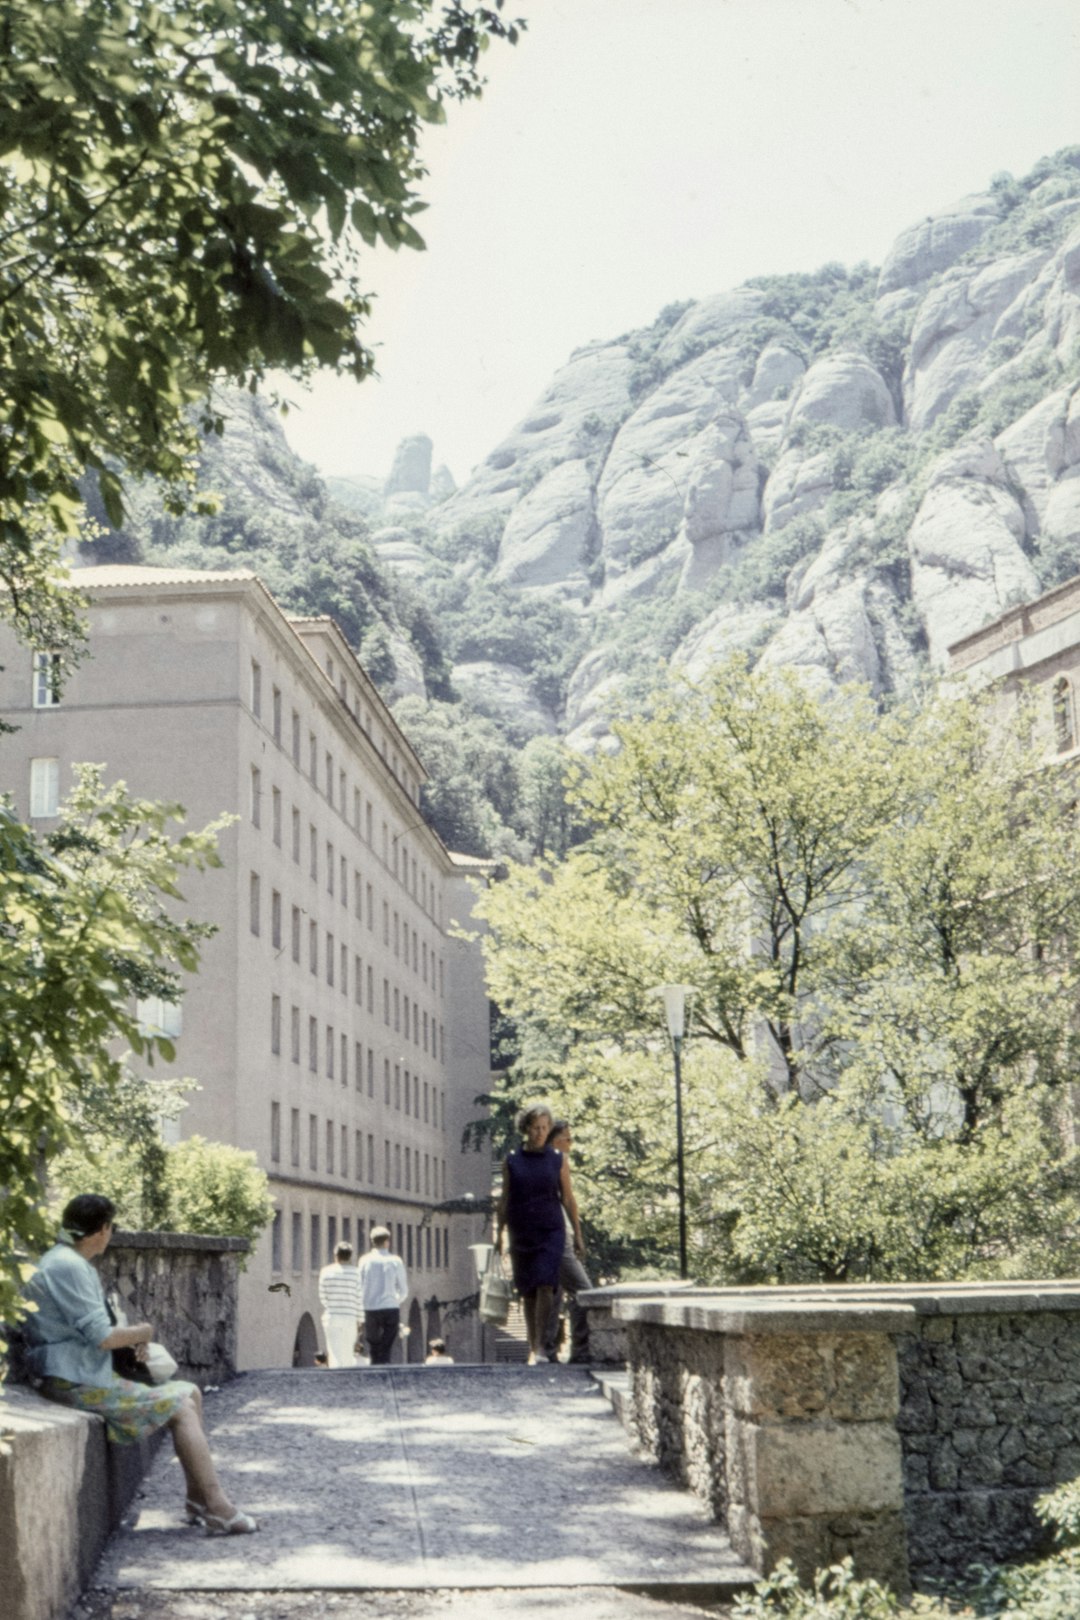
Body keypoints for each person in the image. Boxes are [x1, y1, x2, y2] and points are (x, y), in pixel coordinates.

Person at [22, 1194, 257, 1536]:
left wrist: (130, 1344)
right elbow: (101, 1337)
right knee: (181, 1407)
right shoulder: (68, 1266)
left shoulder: (65, 1261)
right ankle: (218, 1505)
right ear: (102, 1230)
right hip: (75, 1381)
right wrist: (142, 1331)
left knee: (189, 1391)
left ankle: (196, 1499)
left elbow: (90, 1334)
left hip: (80, 1372)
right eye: (111, 1227)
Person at [495, 1101, 584, 1366]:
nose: (541, 1133)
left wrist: (577, 1233)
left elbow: (568, 1198)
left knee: (546, 1283)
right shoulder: (511, 1160)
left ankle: (541, 1348)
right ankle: (534, 1345)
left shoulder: (558, 1159)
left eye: (545, 1128)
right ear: (526, 1128)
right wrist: (498, 1233)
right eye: (536, 1128)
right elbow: (504, 1199)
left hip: (551, 1228)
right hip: (521, 1229)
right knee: (529, 1290)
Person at [539, 1120, 593, 1364]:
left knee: (555, 1292)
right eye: (568, 1139)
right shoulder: (558, 1160)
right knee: (584, 1291)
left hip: (542, 1235)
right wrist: (579, 1236)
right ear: (555, 1141)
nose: (571, 1143)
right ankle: (581, 1349)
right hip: (557, 1234)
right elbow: (569, 1200)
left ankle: (547, 1349)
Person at [357, 1226, 409, 1365]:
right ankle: (385, 1368)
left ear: (372, 1241)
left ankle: (375, 1368)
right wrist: (396, 1300)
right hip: (390, 1307)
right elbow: (403, 1289)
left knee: (373, 1346)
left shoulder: (364, 1260)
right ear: (387, 1241)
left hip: (370, 1308)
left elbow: (359, 1285)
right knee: (387, 1346)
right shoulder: (395, 1260)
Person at [317, 1240, 363, 1368]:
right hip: (350, 1317)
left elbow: (322, 1296)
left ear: (335, 1255)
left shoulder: (326, 1271)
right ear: (350, 1256)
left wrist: (332, 1305)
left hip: (332, 1316)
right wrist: (360, 1320)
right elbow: (359, 1299)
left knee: (334, 1352)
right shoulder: (356, 1273)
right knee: (348, 1353)